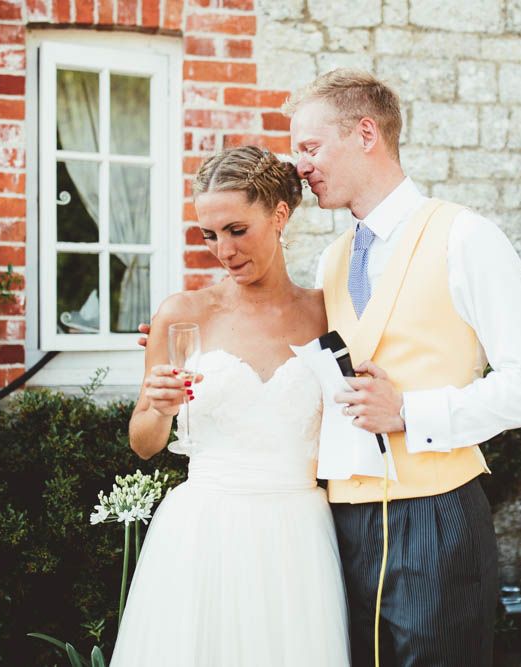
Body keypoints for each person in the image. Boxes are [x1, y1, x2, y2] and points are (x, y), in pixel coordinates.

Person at [284, 69, 521, 666]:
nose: (299, 167)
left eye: (310, 148)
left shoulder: (465, 237)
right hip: (342, 520)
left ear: (367, 133)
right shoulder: (332, 260)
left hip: (436, 517)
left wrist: (410, 412)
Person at [110, 146, 350, 666]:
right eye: (209, 235)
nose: (223, 250)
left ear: (279, 215)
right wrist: (158, 407)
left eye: (237, 230)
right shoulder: (183, 314)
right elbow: (145, 444)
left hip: (300, 537)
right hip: (203, 534)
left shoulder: (328, 314)